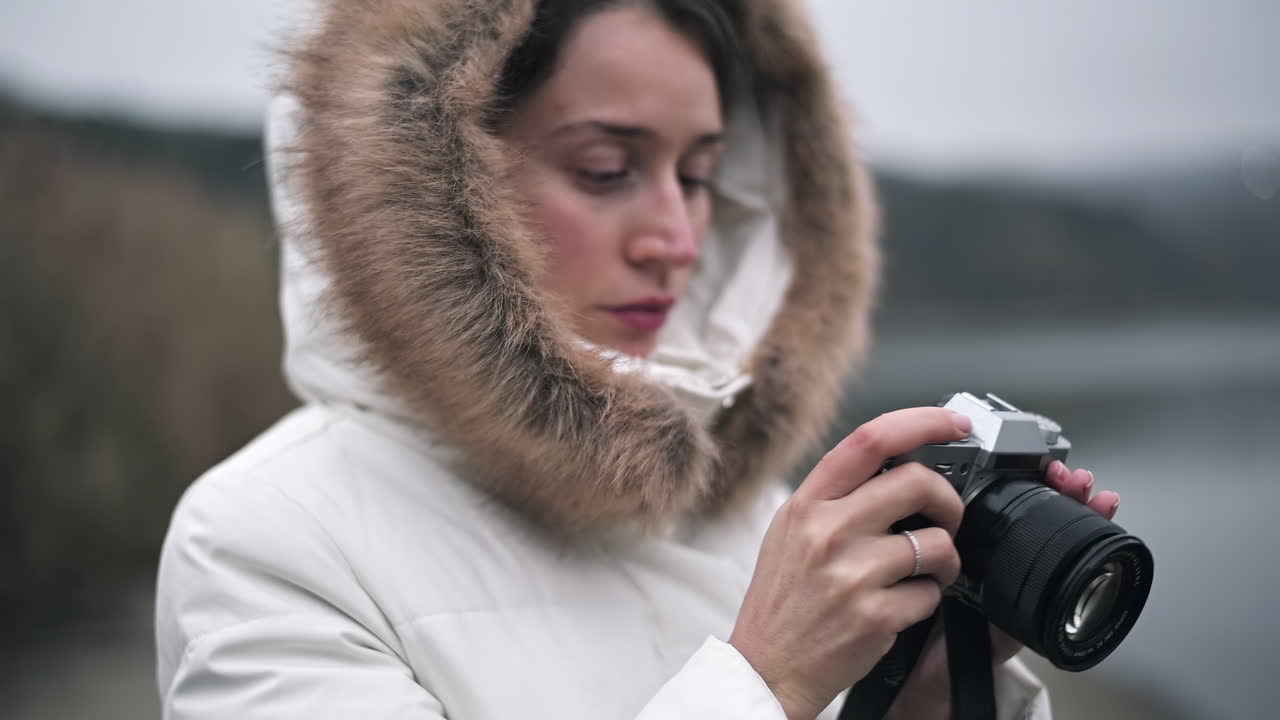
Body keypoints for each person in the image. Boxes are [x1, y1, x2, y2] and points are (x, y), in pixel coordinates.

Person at [154, 1, 1120, 718]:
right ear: (432, 191)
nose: (678, 236)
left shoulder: (747, 511)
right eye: (608, 170)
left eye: (700, 177)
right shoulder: (263, 542)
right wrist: (762, 681)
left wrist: (925, 694)